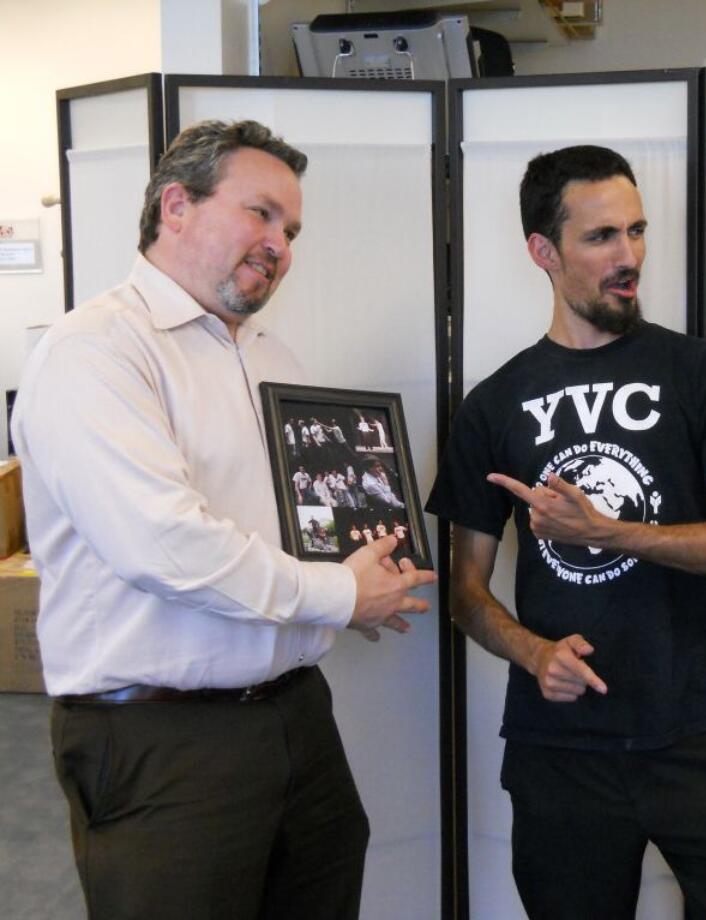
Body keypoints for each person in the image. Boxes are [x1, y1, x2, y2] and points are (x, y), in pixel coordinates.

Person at [11, 119, 436, 920]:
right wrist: (336, 595)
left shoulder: (270, 357)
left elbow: (284, 527)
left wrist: (358, 577)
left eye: (292, 229)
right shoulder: (94, 351)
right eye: (261, 213)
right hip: (161, 742)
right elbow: (164, 544)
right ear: (176, 206)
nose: (280, 243)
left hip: (295, 716)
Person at [427, 145, 706, 919]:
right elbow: (465, 592)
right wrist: (534, 654)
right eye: (600, 237)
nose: (628, 256)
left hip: (693, 727)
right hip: (558, 744)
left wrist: (610, 530)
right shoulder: (492, 406)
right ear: (543, 251)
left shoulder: (702, 372)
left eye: (636, 231)